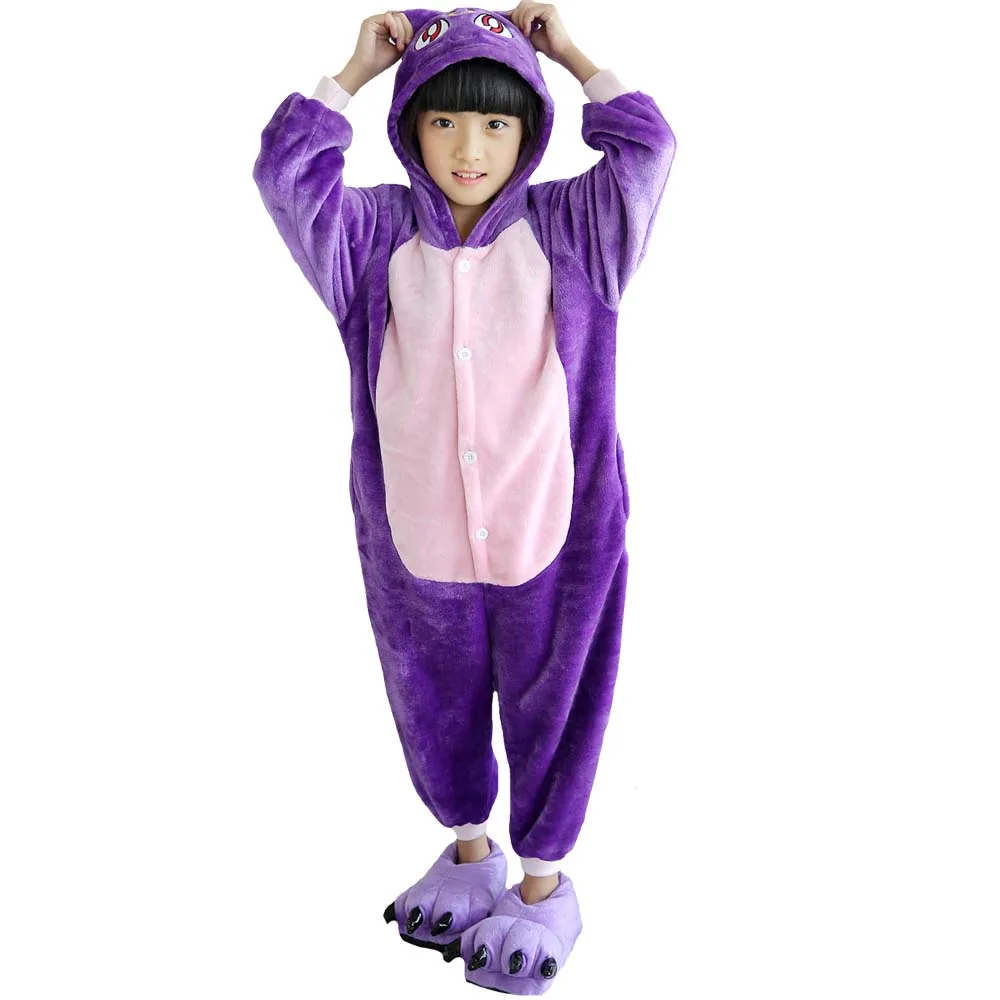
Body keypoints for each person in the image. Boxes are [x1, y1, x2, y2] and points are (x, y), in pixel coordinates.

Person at [252, 4, 676, 992]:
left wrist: (567, 54)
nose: (469, 148)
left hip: (556, 535)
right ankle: (468, 853)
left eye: (495, 122)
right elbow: (285, 173)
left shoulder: (578, 229)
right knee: (430, 707)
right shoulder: (369, 238)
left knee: (555, 707)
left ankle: (542, 887)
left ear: (530, 129)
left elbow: (648, 147)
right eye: (443, 121)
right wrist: (351, 74)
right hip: (416, 541)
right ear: (411, 128)